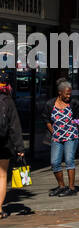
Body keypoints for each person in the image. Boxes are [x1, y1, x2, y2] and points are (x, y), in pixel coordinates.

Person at [43, 79, 79, 196]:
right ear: (60, 92)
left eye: (70, 94)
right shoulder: (50, 104)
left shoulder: (73, 103)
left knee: (69, 160)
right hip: (57, 137)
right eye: (66, 94)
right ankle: (61, 186)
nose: (68, 96)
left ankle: (71, 188)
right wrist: (54, 132)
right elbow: (46, 120)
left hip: (71, 136)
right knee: (55, 162)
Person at [0, 70, 28, 218]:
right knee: (2, 176)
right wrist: (20, 148)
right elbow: (14, 127)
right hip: (4, 145)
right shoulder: (8, 101)